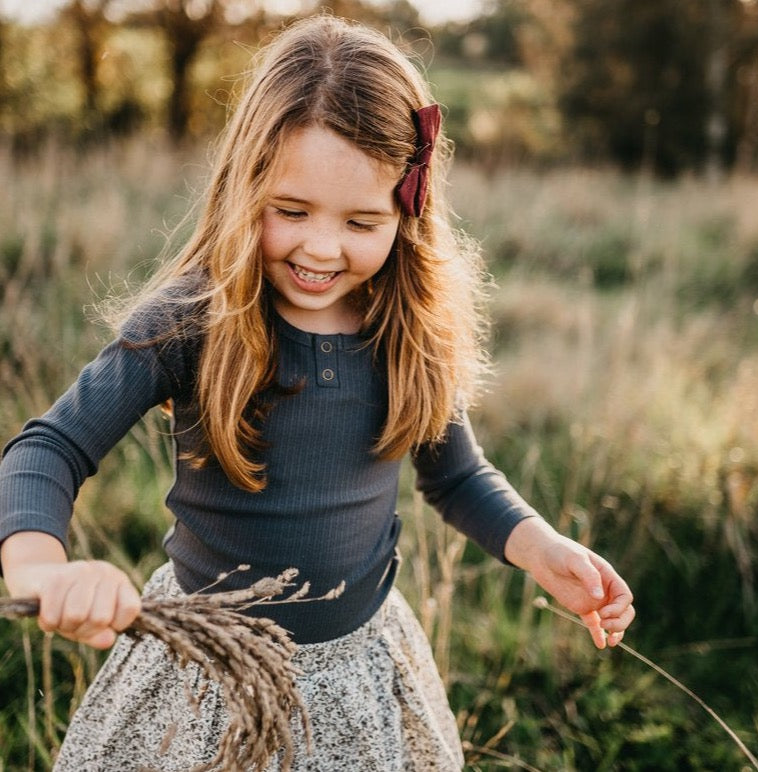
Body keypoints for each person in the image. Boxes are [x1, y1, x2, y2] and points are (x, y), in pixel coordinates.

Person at [0, 14, 635, 771]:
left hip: (356, 673)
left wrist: (541, 549)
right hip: (207, 670)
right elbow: (50, 447)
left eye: (362, 220)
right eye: (291, 211)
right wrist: (42, 568)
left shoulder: (408, 329)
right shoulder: (191, 322)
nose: (321, 248)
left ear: (408, 213)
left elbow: (457, 475)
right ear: (245, 187)